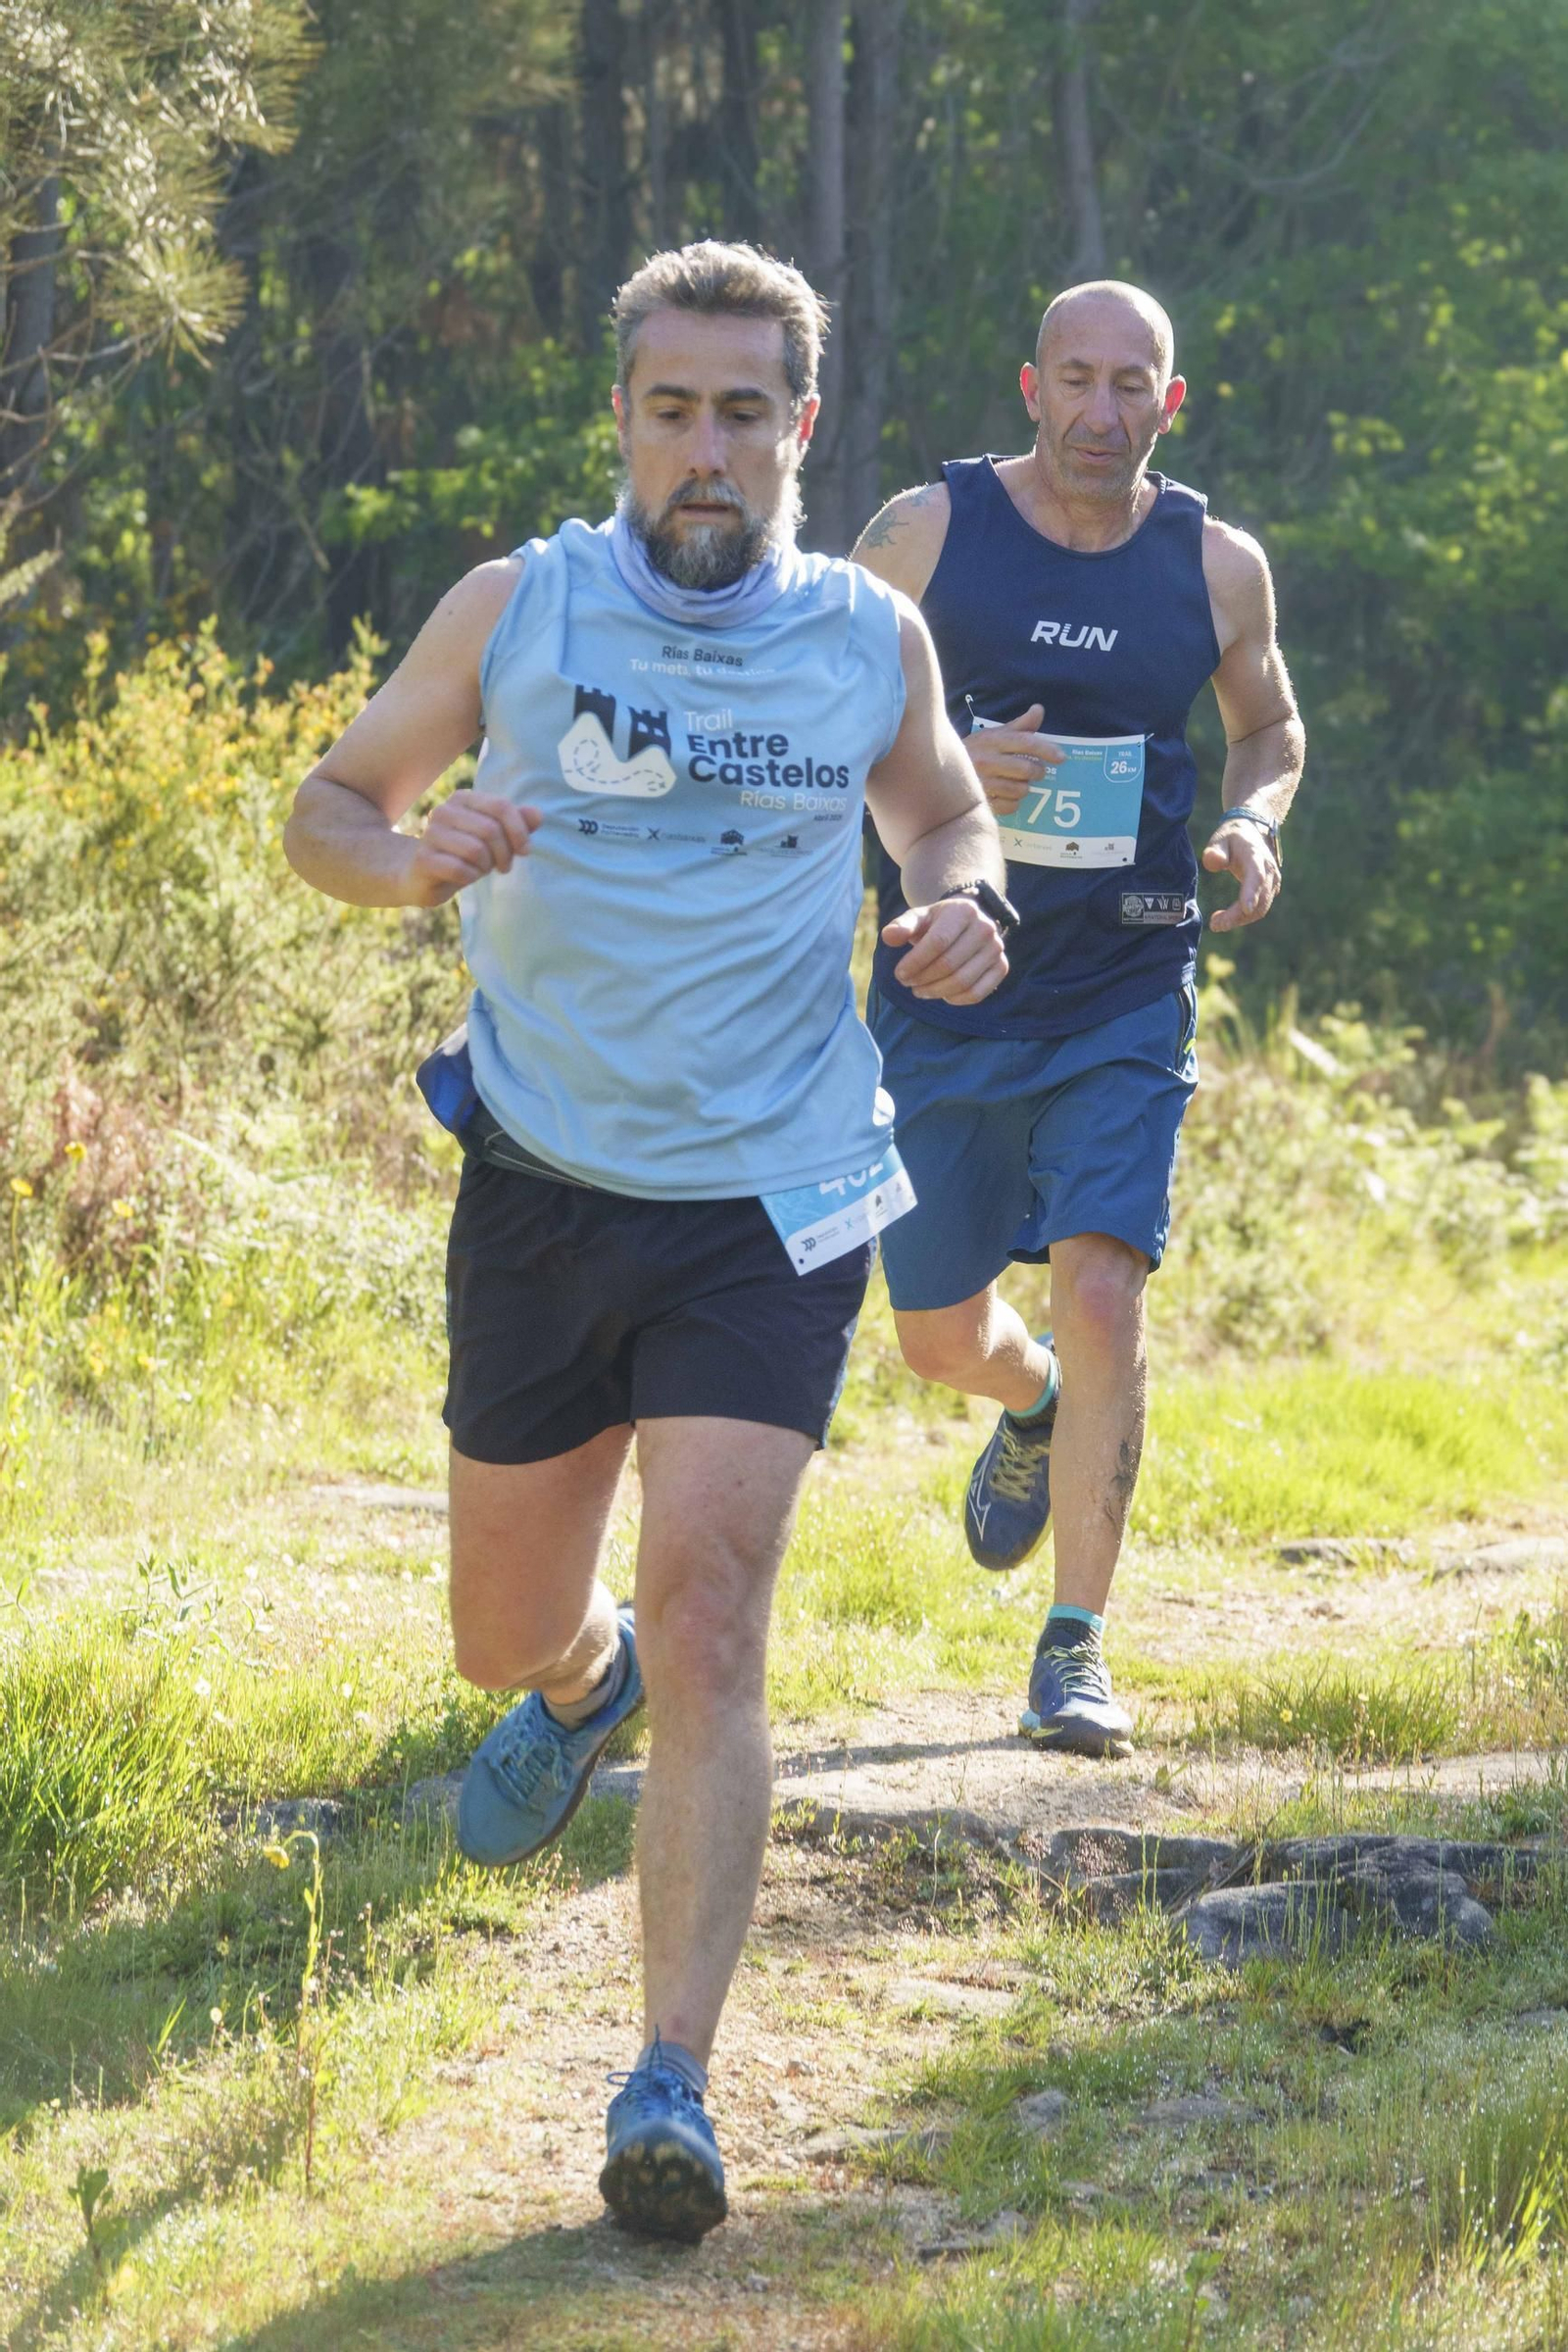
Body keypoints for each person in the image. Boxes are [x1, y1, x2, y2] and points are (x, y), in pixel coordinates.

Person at [283, 240, 1009, 2244]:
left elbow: (941, 813)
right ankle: (569, 1680)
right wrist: (401, 854)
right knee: (505, 1634)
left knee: (716, 1619)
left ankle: (669, 2075)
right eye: (671, 409)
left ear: (800, 429)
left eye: (744, 413)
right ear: (620, 419)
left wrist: (965, 902)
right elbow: (327, 806)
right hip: (541, 1180)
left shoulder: (867, 633)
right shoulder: (519, 608)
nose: (708, 449)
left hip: (771, 1196)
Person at [852, 278, 1304, 1761]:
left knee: (1105, 1284)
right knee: (930, 1337)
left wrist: (1253, 823)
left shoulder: (1216, 566)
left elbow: (1270, 726)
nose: (1104, 413)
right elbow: (812, 704)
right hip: (947, 977)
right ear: (1031, 386)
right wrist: (945, 758)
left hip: (1128, 973)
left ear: (1170, 402)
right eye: (1078, 381)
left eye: (1135, 387)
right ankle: (1030, 1401)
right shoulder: (926, 535)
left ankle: (1075, 1648)